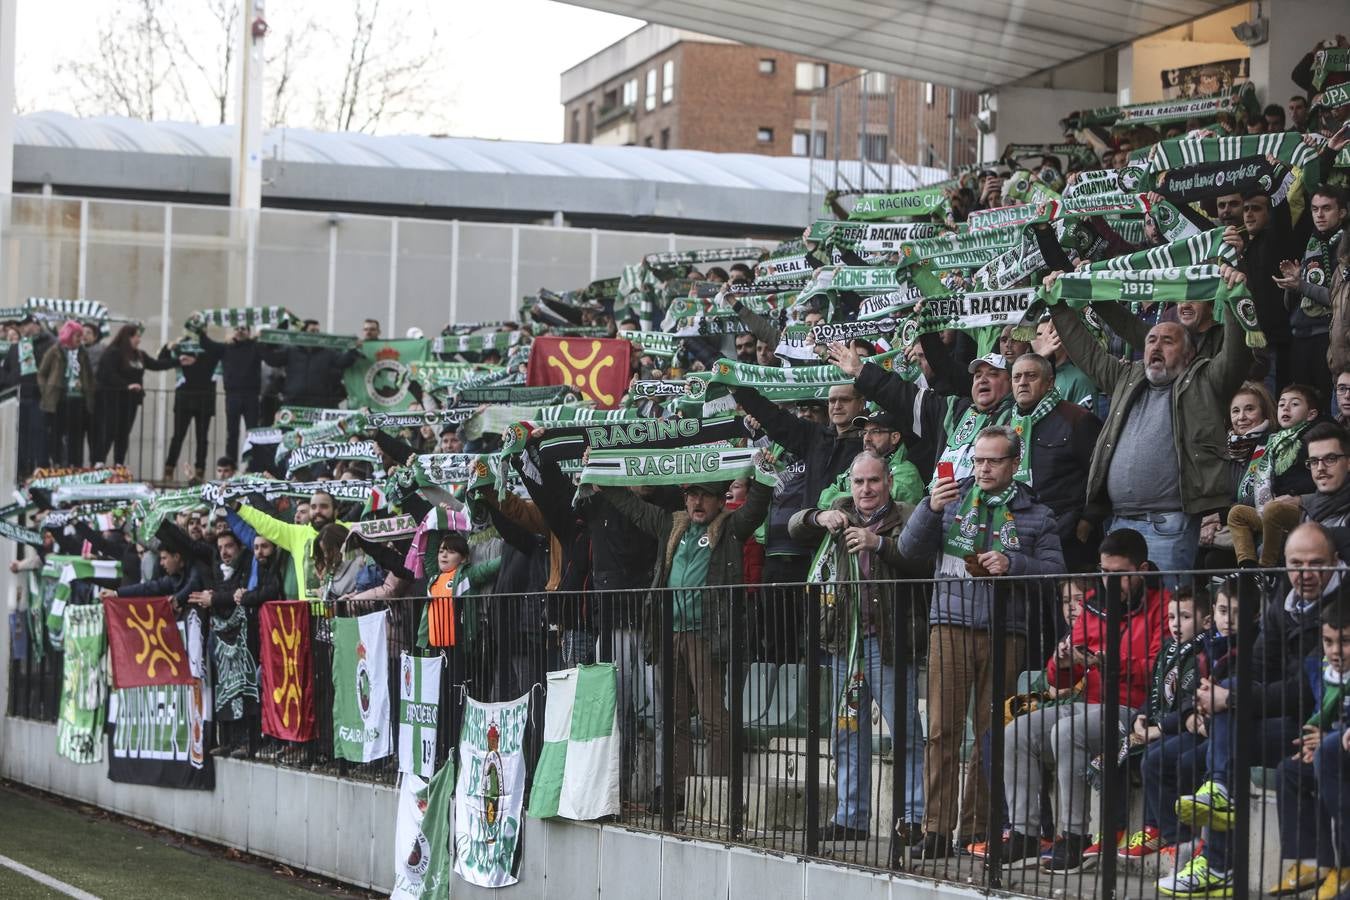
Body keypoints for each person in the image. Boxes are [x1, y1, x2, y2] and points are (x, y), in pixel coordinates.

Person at [897, 425, 1064, 858]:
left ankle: (974, 830)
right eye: (979, 460)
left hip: (1006, 631)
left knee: (992, 736)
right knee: (941, 732)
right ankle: (935, 831)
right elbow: (909, 550)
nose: (983, 468)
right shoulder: (950, 496)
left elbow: (1055, 574)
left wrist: (1014, 562)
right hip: (949, 624)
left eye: (993, 461)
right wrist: (929, 510)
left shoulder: (1036, 513)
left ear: (1014, 464)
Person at [1164, 523, 1338, 896]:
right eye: (1295, 564)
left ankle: (1217, 863)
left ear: (1336, 562)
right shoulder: (1286, 601)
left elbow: (1308, 692)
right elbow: (1258, 664)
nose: (1304, 574)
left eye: (1315, 563)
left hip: (1316, 721)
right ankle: (1219, 812)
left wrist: (1231, 699)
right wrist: (1221, 693)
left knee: (1223, 741)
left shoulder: (1340, 610)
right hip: (1285, 715)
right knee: (1227, 716)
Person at [1043, 264, 1251, 574]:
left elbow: (1237, 355)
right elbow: (1087, 352)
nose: (1155, 345)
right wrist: (1057, 304)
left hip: (1170, 527)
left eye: (1168, 341)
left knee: (1163, 616)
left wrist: (1235, 300)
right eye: (1151, 340)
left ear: (1189, 355)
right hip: (1118, 524)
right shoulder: (1128, 376)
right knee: (1120, 617)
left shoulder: (1206, 381)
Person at [600, 469, 772, 814]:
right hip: (669, 634)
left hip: (707, 636)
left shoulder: (730, 529)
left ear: (720, 499)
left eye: (705, 495)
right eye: (692, 494)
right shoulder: (671, 524)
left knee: (712, 716)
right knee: (673, 716)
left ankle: (722, 790)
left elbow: (755, 509)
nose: (697, 501)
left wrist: (765, 477)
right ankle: (677, 791)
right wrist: (601, 478)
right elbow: (632, 507)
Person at [997, 529, 1166, 873]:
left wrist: (1109, 662)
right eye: (1104, 574)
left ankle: (1074, 837)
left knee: (1067, 730)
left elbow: (1160, 671)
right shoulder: (1092, 604)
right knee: (1018, 730)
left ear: (1143, 570)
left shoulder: (1162, 606)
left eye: (1119, 575)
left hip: (1134, 711)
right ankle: (1025, 834)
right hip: (1088, 704)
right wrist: (1059, 662)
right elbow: (1060, 680)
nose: (1109, 583)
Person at [788, 451, 926, 849]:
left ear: (888, 482)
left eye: (873, 481)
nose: (866, 489)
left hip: (888, 642)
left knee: (905, 732)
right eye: (858, 482)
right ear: (850, 485)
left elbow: (918, 559)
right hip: (844, 646)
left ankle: (913, 819)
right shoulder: (840, 510)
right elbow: (794, 527)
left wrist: (877, 542)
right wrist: (818, 517)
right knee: (847, 732)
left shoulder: (907, 514)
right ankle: (852, 817)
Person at [828, 341, 1013, 485]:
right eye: (978, 375)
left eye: (993, 374)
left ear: (1011, 382)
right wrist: (860, 370)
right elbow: (902, 395)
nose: (982, 380)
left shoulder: (1019, 417)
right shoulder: (953, 410)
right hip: (945, 510)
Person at [1268, 595, 1350, 899]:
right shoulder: (1327, 670)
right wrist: (1312, 740)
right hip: (1331, 753)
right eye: (1328, 642)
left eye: (1344, 642)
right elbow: (1322, 714)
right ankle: (1315, 862)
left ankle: (1345, 865)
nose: (1335, 651)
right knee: (1289, 770)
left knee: (1329, 759)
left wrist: (1328, 737)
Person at [1122, 586, 1212, 861]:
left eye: (1184, 617)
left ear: (1205, 621)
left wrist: (1158, 729)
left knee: (1154, 757)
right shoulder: (1169, 649)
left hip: (1188, 728)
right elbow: (1157, 691)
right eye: (1172, 617)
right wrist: (1141, 715)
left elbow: (1188, 701)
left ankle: (1173, 835)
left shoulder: (1201, 652)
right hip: (1162, 724)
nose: (1175, 624)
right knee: (1116, 751)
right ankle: (1130, 828)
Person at [1227, 383, 1325, 567]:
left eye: (1294, 404)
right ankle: (1248, 569)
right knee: (1237, 513)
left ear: (1311, 414)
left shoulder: (1314, 438)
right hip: (1270, 509)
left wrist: (1299, 497)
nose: (1286, 408)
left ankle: (1266, 568)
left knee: (1273, 510)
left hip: (1302, 511)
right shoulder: (1272, 441)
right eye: (1281, 404)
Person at [1276, 184, 1347, 393]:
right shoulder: (1312, 243)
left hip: (1328, 338)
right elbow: (1292, 305)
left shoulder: (1345, 249)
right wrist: (1293, 284)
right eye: (1315, 209)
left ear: (1342, 212)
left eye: (1326, 208)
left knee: (1324, 402)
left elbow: (1339, 298)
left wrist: (1302, 285)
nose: (1320, 215)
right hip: (1300, 335)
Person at [93, 324, 176, 466]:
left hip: (131, 400)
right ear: (128, 337)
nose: (139, 339)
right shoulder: (113, 352)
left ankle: (119, 463)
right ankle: (99, 462)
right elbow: (107, 374)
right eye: (136, 336)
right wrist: (126, 385)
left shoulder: (140, 355)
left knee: (123, 432)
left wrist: (178, 361)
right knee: (109, 430)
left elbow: (156, 364)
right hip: (113, 398)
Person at [817, 411, 923, 507]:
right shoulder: (857, 467)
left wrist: (841, 501)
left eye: (875, 432)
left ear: (894, 437)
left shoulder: (906, 471)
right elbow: (824, 498)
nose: (867, 438)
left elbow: (881, 504)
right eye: (864, 433)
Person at [197, 323, 264, 463]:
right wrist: (202, 328)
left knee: (253, 433)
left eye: (243, 329)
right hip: (232, 395)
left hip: (251, 395)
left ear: (249, 332)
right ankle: (230, 466)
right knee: (232, 433)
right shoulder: (226, 348)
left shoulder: (256, 347)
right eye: (237, 329)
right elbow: (207, 344)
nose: (240, 331)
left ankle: (253, 465)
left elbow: (272, 348)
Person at [162, 334, 222, 482]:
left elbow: (223, 352)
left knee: (202, 438)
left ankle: (200, 471)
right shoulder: (183, 346)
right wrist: (170, 345)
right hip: (185, 398)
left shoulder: (210, 347)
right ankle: (169, 469)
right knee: (178, 436)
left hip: (204, 399)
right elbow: (162, 359)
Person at [37, 320, 95, 467]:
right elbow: (42, 373)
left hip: (78, 398)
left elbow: (88, 374)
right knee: (57, 433)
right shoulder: (55, 350)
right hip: (59, 398)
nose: (80, 339)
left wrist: (89, 390)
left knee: (77, 435)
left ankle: (75, 464)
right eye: (77, 335)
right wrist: (46, 390)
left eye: (80, 336)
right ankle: (57, 462)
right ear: (69, 335)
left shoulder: (83, 352)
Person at [3, 314, 55, 475]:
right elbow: (6, 370)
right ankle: (21, 469)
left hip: (37, 396)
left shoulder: (47, 343)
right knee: (20, 435)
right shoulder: (15, 347)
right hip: (18, 397)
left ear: (35, 324)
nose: (23, 328)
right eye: (21, 325)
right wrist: (10, 383)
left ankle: (41, 467)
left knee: (38, 433)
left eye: (26, 324)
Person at [1031, 317, 1097, 409]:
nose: (1044, 339)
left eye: (1051, 334)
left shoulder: (1079, 380)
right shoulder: (1024, 378)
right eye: (1039, 334)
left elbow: (1087, 421)